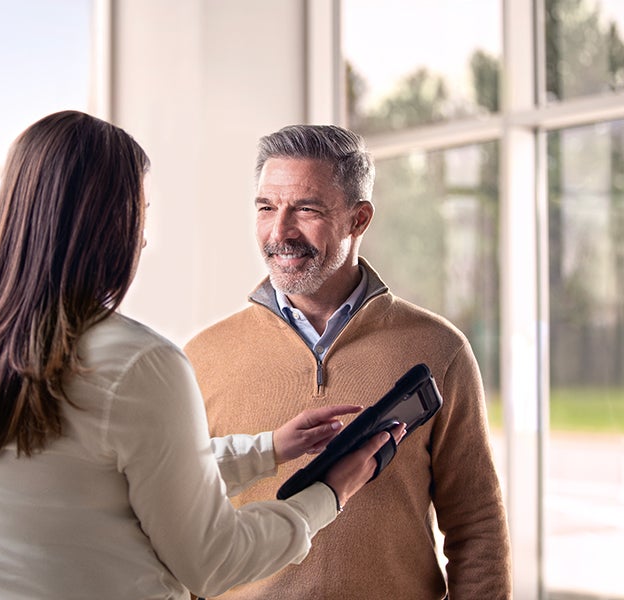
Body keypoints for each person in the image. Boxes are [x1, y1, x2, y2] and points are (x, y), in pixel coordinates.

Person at [0, 111, 404, 600]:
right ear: (108, 220)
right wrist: (330, 493)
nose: (144, 236)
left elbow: (110, 473)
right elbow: (214, 561)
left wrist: (269, 449)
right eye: (141, 210)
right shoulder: (143, 363)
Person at [184, 124, 512, 599]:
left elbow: (477, 526)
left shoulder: (439, 349)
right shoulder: (202, 358)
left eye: (306, 209)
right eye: (266, 208)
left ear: (358, 220)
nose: (280, 231)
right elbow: (181, 522)